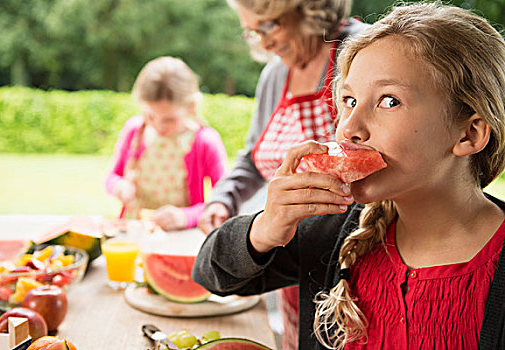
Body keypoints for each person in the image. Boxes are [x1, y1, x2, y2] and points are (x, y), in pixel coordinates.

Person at [192, 2, 505, 349]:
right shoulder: (334, 230)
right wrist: (264, 228)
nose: (348, 129)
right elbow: (210, 272)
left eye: (388, 101)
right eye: (349, 101)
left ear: (469, 134)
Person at [198, 1, 368, 348]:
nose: (263, 42)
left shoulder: (361, 50)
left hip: (355, 251)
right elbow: (254, 154)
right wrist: (223, 197)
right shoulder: (276, 74)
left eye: (270, 26)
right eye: (251, 31)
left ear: (310, 11)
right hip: (293, 253)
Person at [105, 56, 228, 231]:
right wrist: (119, 187)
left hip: (180, 236)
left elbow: (224, 200)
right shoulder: (134, 130)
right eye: (150, 116)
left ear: (191, 107)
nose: (159, 126)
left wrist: (186, 216)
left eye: (169, 120)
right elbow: (111, 177)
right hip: (134, 230)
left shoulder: (205, 141)